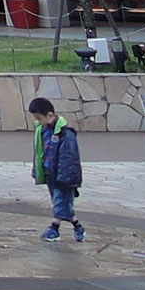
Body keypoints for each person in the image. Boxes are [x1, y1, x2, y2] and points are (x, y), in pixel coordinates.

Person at [27, 97, 84, 242]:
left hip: (63, 177)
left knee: (60, 202)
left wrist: (64, 177)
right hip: (51, 174)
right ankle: (77, 226)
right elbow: (40, 151)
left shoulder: (66, 133)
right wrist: (38, 170)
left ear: (50, 115)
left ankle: (54, 228)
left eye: (40, 118)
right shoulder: (44, 130)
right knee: (63, 204)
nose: (39, 122)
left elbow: (68, 158)